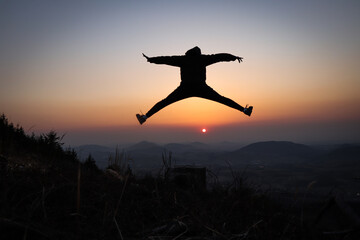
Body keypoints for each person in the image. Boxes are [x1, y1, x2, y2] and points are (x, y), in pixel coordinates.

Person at [136, 46, 253, 125]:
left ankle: (144, 118)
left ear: (188, 52)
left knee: (165, 102)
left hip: (185, 88)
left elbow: (166, 59)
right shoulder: (203, 59)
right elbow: (219, 56)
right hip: (201, 88)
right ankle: (244, 110)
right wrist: (233, 57)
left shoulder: (183, 59)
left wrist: (151, 59)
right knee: (222, 99)